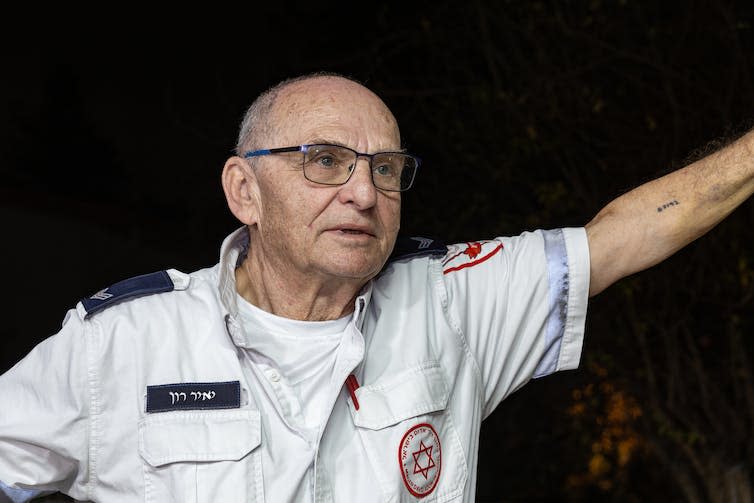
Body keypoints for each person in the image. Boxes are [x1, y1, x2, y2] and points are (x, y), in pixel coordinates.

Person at [0, 71, 752, 503]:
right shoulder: (122, 344)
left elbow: (632, 232)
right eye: (324, 160)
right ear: (244, 189)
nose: (363, 192)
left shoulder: (450, 304)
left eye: (385, 168)